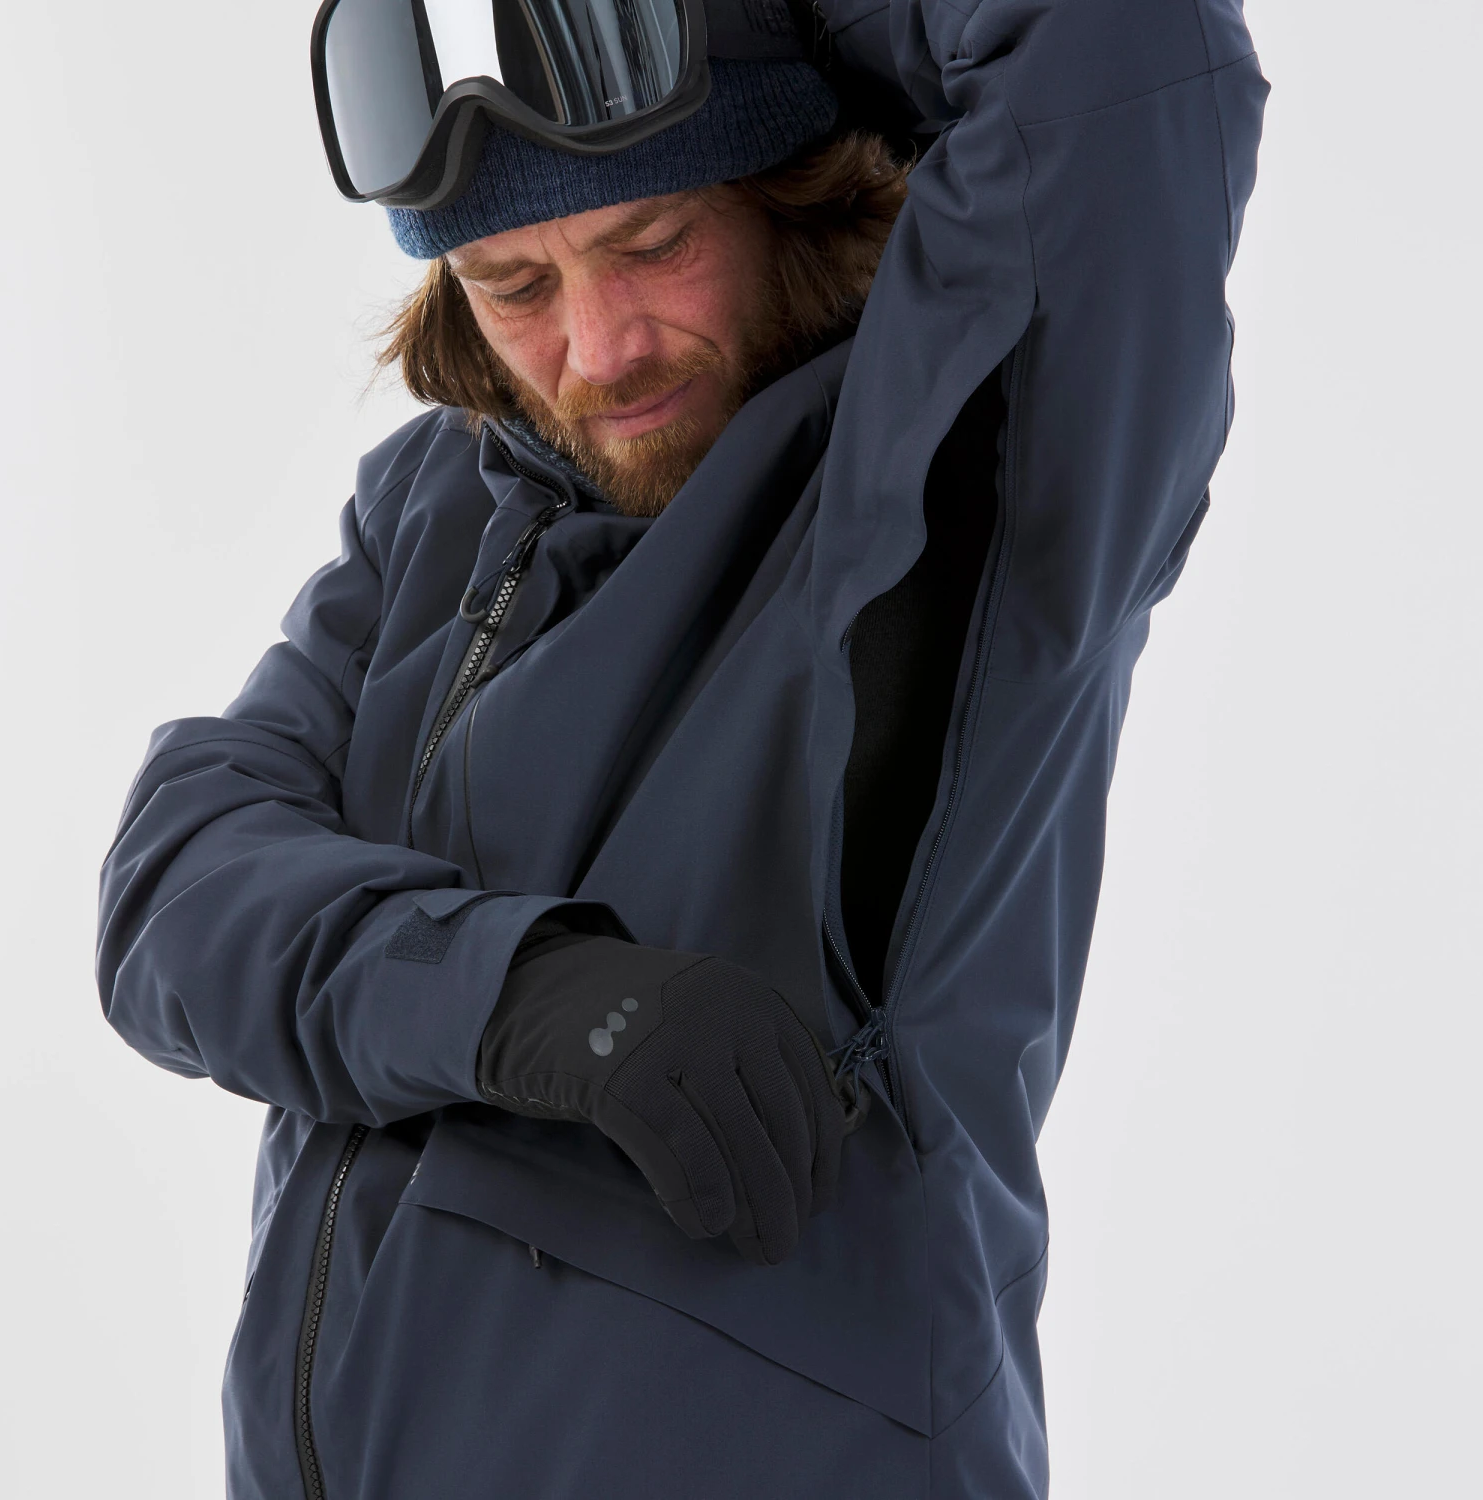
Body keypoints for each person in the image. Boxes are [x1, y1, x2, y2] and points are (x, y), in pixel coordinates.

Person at [97, 0, 1267, 1494]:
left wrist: (777, 20)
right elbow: (177, 889)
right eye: (513, 283)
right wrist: (516, 993)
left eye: (652, 243)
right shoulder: (441, 505)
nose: (598, 351)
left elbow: (1112, 43)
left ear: (786, 193)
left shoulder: (961, 466)